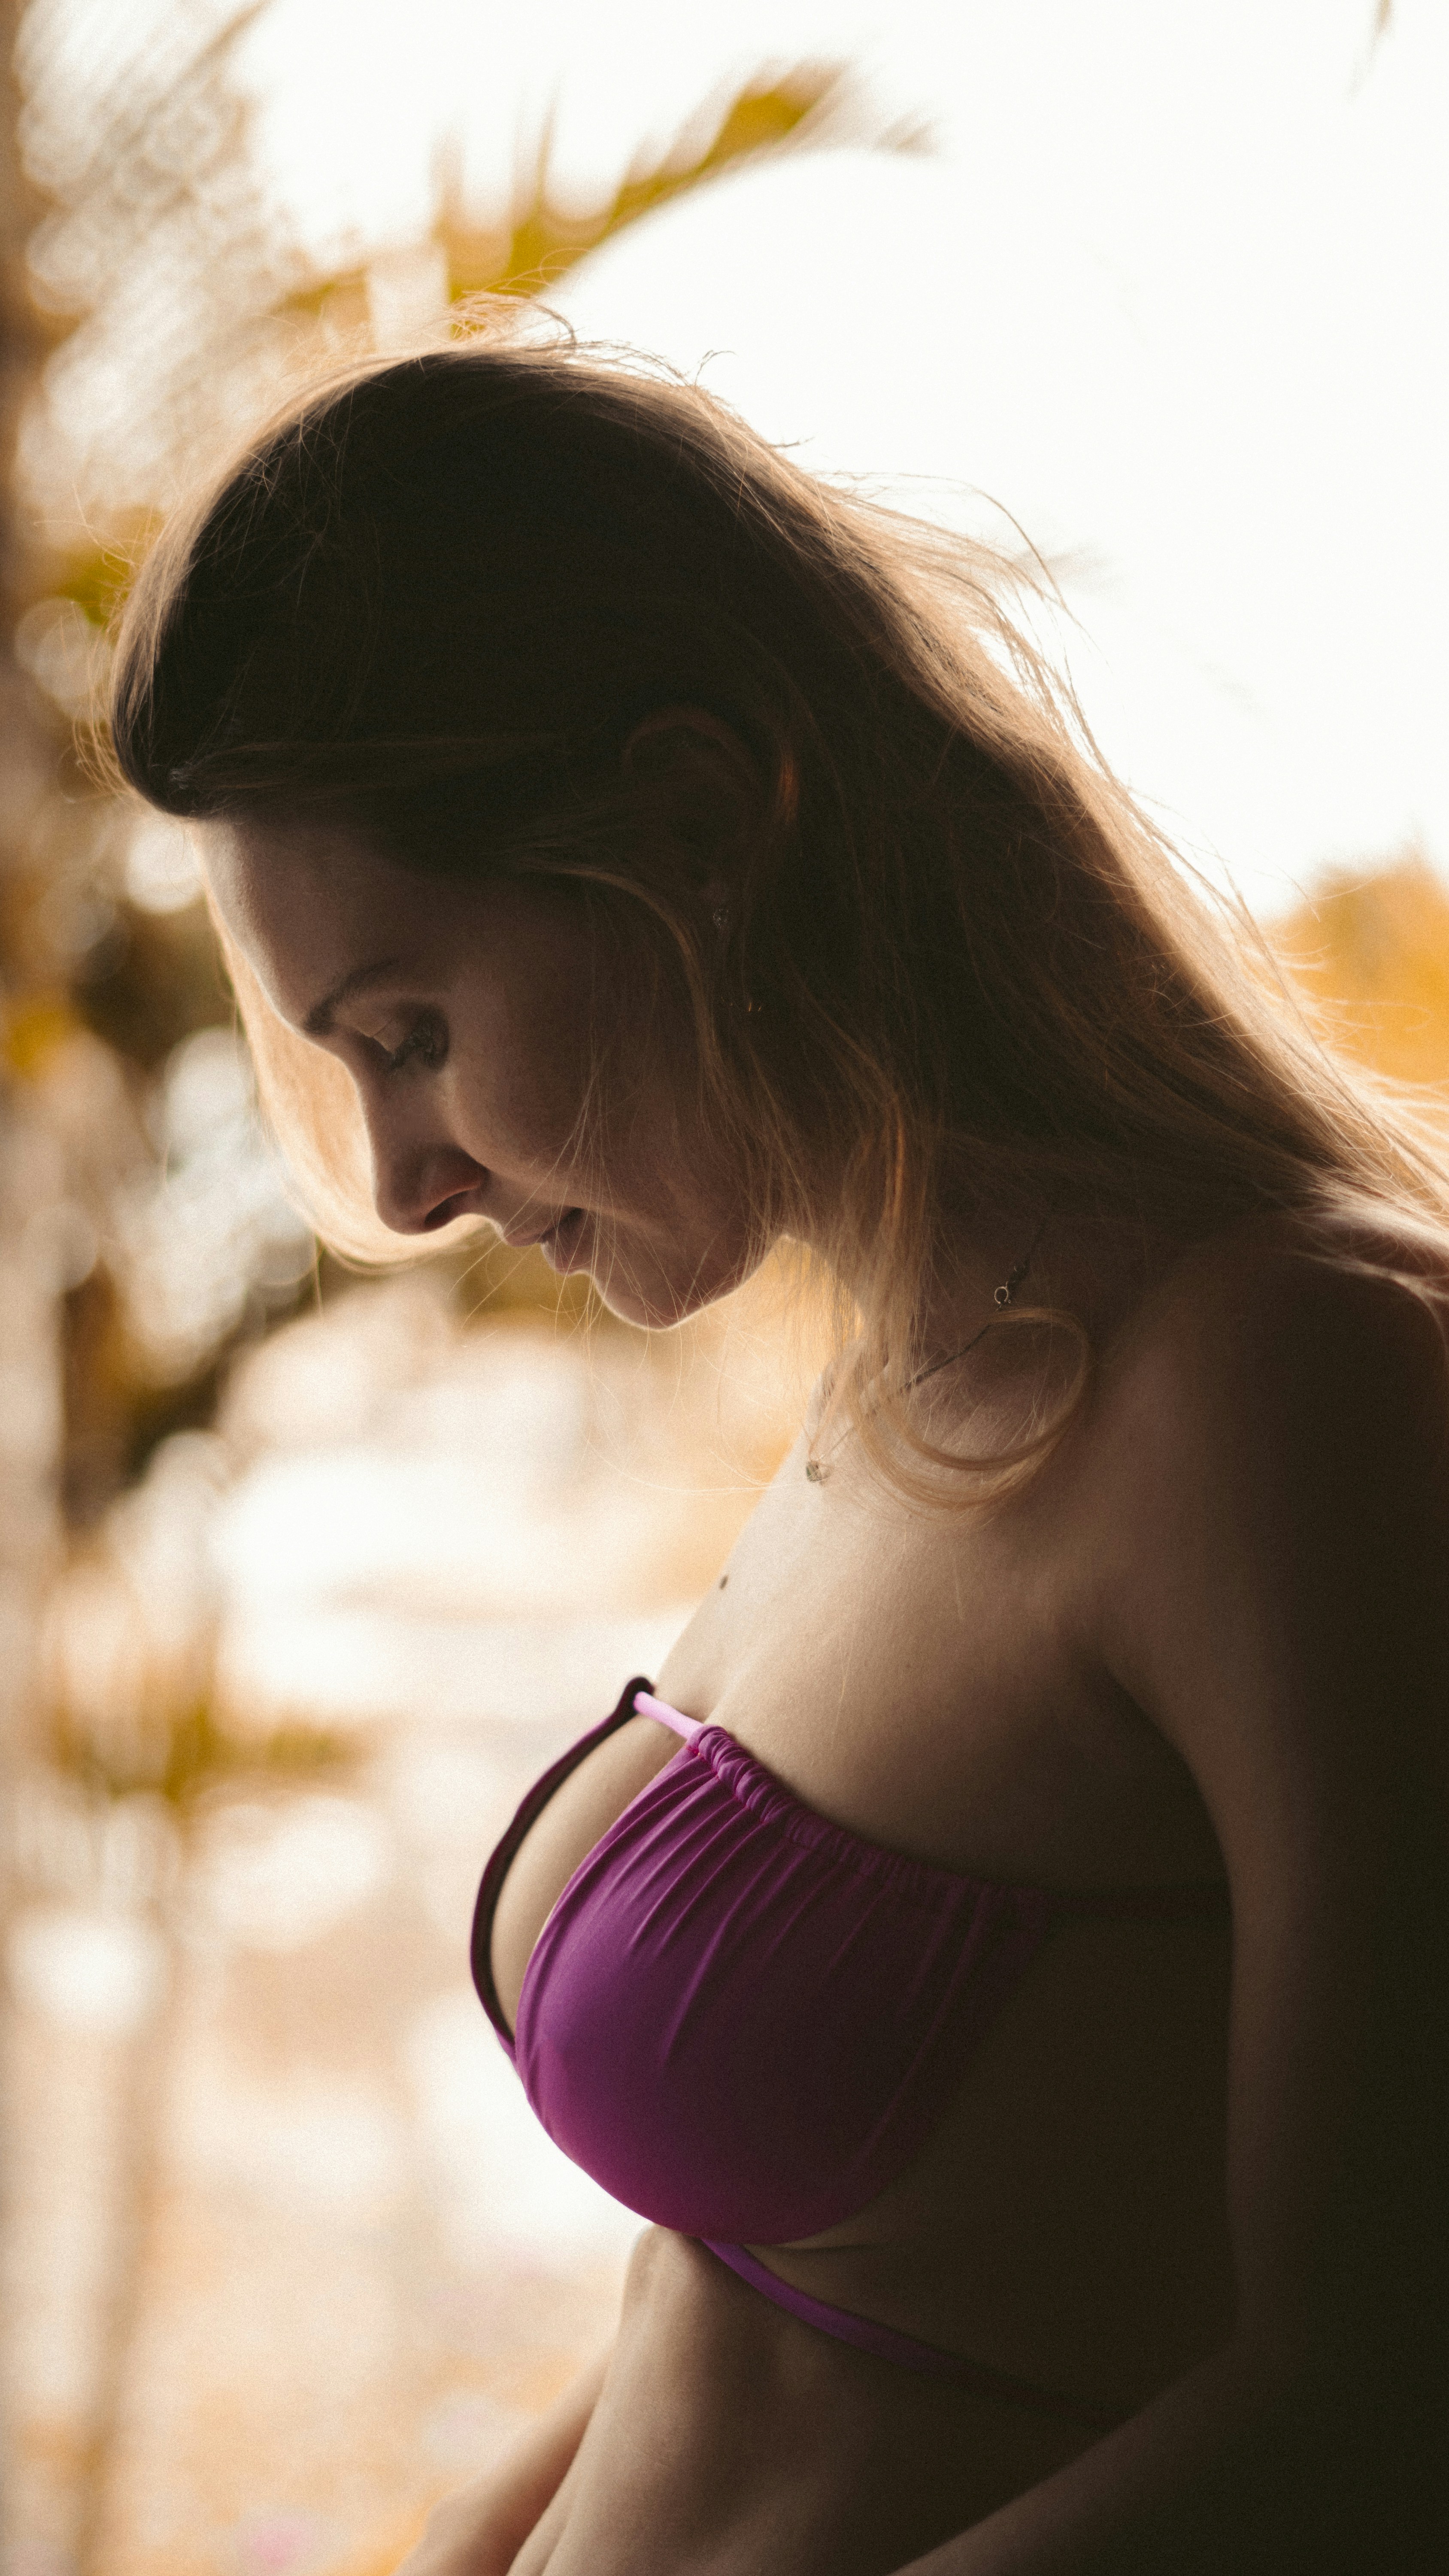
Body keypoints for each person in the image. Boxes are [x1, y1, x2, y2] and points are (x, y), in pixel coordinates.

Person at [109, 329, 1449, 2573]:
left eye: (413, 1034)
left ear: (702, 828)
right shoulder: (904, 1372)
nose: (405, 1182)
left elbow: (1383, 2402)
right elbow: (751, 2315)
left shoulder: (1288, 1388)